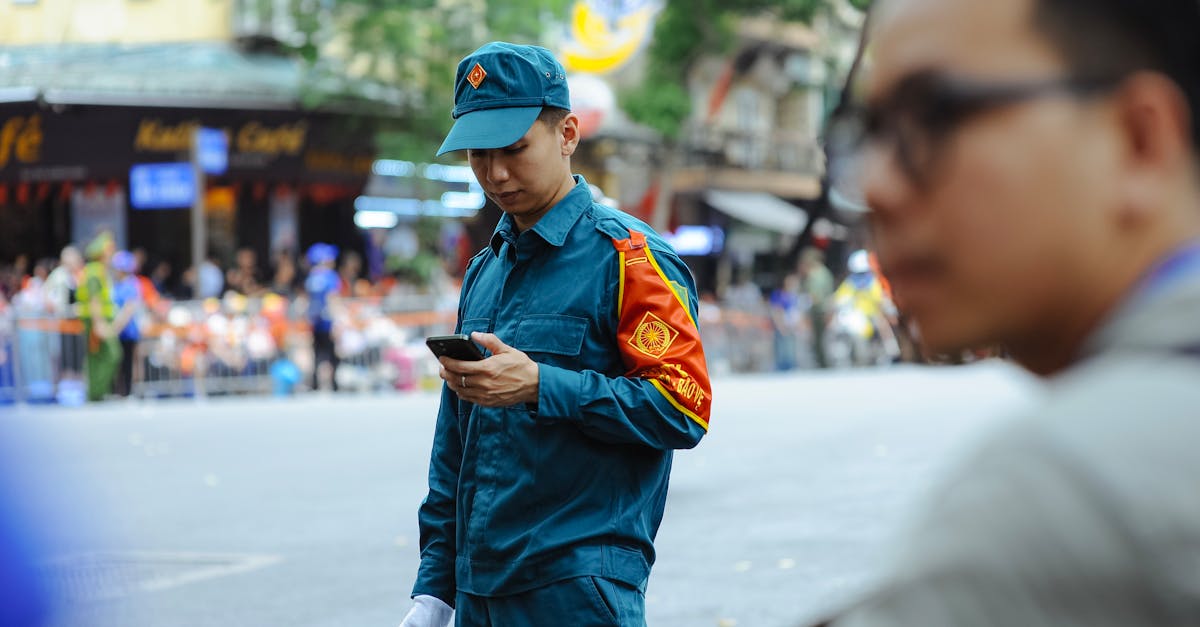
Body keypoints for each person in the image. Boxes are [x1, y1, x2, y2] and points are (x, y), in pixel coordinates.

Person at [819, 0, 1200, 624]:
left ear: (1138, 140)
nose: (875, 187)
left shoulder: (1065, 499)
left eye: (933, 116)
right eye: (871, 132)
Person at [401, 42, 712, 627]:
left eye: (515, 149)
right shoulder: (484, 270)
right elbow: (453, 444)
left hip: (575, 592)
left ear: (567, 133)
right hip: (475, 595)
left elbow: (682, 408)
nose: (494, 173)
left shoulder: (630, 258)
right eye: (478, 154)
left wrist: (542, 385)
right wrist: (434, 589)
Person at [74, 232, 123, 402]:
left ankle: (96, 393)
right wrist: (98, 323)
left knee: (97, 356)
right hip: (96, 320)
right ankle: (96, 392)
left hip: (98, 319)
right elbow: (94, 300)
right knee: (111, 354)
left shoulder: (96, 270)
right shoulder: (94, 272)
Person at [304, 243, 342, 392]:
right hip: (327, 321)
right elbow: (333, 299)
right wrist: (337, 322)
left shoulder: (311, 277)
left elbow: (308, 300)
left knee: (317, 354)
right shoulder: (330, 276)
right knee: (332, 354)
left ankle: (315, 384)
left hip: (315, 321)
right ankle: (333, 384)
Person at [798, 247, 834, 368]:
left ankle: (823, 364)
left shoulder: (817, 274)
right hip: (822, 310)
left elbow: (815, 296)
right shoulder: (824, 273)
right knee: (820, 340)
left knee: (819, 340)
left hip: (819, 310)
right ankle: (822, 363)